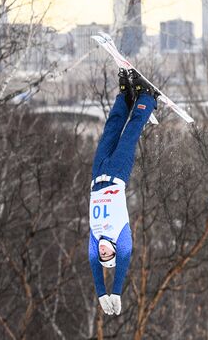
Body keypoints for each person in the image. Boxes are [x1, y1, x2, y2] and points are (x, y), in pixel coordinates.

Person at [88, 68, 158, 316]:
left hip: (98, 174)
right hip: (117, 174)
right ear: (115, 250)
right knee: (129, 135)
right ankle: (148, 98)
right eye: (108, 255)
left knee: (111, 129)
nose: (103, 252)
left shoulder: (96, 239)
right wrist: (115, 291)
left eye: (102, 255)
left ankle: (126, 97)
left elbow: (94, 265)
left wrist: (100, 292)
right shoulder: (120, 236)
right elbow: (124, 260)